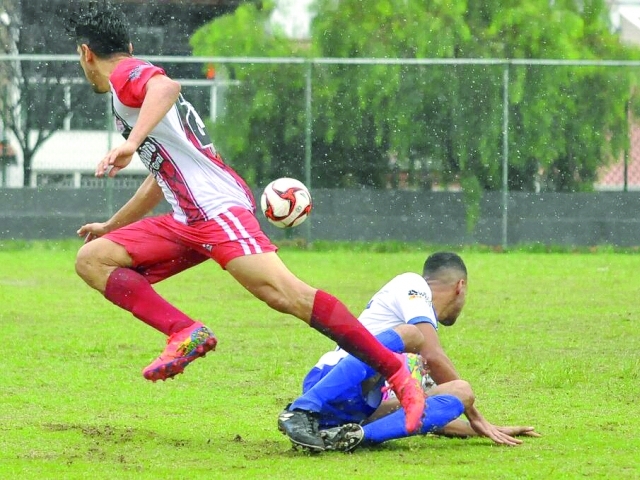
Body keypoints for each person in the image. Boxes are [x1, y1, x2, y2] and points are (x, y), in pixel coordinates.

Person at [65, 2, 424, 433]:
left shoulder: (127, 76)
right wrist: (111, 226)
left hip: (215, 209)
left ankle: (397, 373)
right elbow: (163, 176)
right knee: (94, 258)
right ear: (128, 43)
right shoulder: (129, 94)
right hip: (186, 216)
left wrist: (130, 142)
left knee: (289, 296)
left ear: (87, 54)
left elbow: (167, 87)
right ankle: (185, 331)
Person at [278, 252, 537, 450]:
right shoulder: (412, 283)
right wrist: (477, 415)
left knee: (459, 392)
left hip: (351, 411)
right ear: (460, 286)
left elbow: (421, 416)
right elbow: (433, 354)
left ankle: (351, 437)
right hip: (328, 385)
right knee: (413, 336)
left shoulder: (413, 335)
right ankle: (303, 408)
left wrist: (481, 429)